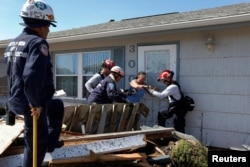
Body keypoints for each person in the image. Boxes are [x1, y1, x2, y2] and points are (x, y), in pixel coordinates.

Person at [4, 1, 64, 166]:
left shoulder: (13, 44)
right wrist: (35, 104)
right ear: (40, 25)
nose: (49, 30)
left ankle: (51, 144)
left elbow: (12, 74)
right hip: (31, 103)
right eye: (48, 25)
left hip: (17, 99)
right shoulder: (38, 43)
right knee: (35, 143)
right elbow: (31, 76)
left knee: (57, 106)